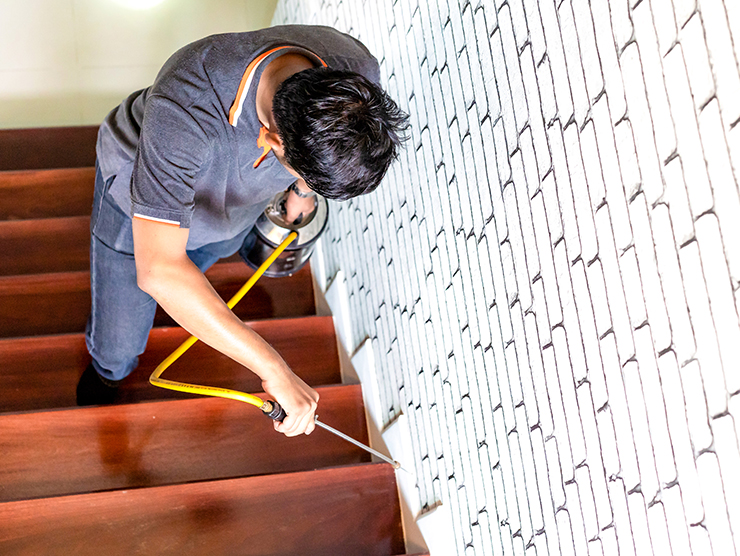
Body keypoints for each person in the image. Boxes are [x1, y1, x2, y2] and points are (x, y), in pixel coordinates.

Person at [77, 25, 409, 437]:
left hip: (230, 210)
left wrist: (302, 190)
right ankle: (108, 372)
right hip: (135, 197)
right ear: (270, 140)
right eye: (304, 175)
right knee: (122, 340)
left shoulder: (356, 73)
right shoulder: (186, 105)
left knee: (209, 253)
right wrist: (274, 370)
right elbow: (159, 270)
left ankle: (185, 290)